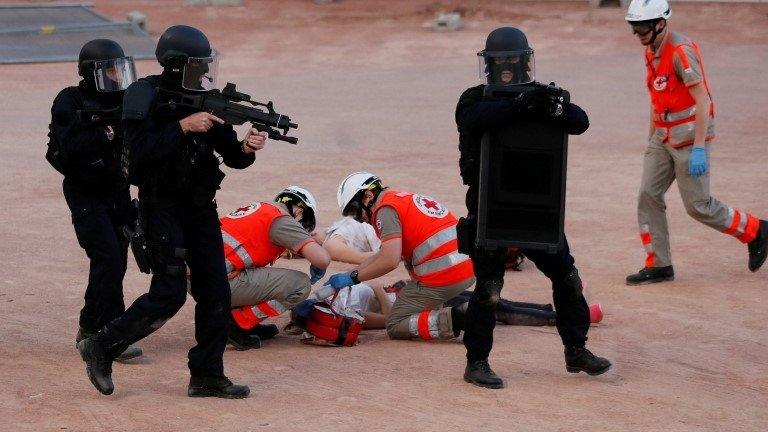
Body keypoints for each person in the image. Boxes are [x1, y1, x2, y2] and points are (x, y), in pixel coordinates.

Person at [76, 25, 259, 398]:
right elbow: (137, 150)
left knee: (216, 292)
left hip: (200, 209)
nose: (204, 71)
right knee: (169, 293)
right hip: (162, 208)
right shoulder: (145, 94)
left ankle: (207, 374)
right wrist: (182, 126)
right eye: (197, 64)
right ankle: (102, 344)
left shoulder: (206, 97)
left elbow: (233, 156)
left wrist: (248, 147)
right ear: (176, 66)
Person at [455, 27, 611, 389]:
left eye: (513, 61)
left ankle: (577, 350)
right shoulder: (474, 99)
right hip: (489, 210)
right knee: (489, 290)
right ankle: (476, 362)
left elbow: (580, 121)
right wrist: (516, 106)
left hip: (537, 211)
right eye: (500, 63)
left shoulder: (538, 98)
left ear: (525, 62)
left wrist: (552, 104)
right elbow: (472, 121)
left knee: (568, 280)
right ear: (489, 67)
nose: (507, 68)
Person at [623, 0, 767, 285]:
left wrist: (700, 147)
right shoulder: (651, 51)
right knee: (647, 196)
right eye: (634, 29)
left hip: (690, 140)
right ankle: (659, 265)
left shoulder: (681, 52)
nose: (638, 35)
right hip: (662, 138)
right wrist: (650, 140)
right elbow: (657, 99)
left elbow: (703, 101)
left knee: (698, 206)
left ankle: (756, 230)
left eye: (642, 28)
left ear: (660, 23)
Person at [320, 216, 604, 328]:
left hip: (420, 292)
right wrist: (381, 289)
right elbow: (385, 319)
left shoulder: (333, 301)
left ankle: (559, 310)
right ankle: (567, 317)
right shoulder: (347, 314)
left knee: (498, 303)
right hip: (420, 303)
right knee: (497, 308)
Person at [47, 39, 142, 361]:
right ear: (93, 72)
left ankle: (111, 332)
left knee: (120, 260)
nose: (118, 75)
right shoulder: (70, 100)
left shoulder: (127, 98)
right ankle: (90, 329)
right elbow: (71, 144)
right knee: (108, 259)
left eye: (121, 68)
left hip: (117, 190)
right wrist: (109, 132)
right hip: (85, 193)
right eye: (111, 70)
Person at [323, 172, 475, 342]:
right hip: (467, 266)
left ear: (368, 196)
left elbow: (389, 260)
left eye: (355, 211)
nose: (359, 219)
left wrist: (355, 277)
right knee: (420, 312)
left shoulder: (384, 211)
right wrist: (350, 274)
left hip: (444, 275)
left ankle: (460, 317)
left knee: (395, 324)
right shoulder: (400, 199)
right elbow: (382, 254)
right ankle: (465, 311)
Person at [221, 186, 331, 350]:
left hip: (199, 275)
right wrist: (315, 253)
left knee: (261, 276)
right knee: (300, 285)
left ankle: (237, 319)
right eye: (303, 226)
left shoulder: (261, 209)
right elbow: (323, 260)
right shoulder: (282, 220)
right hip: (217, 282)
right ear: (299, 211)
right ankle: (238, 322)